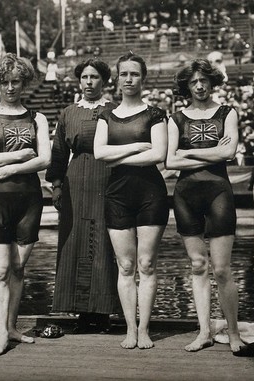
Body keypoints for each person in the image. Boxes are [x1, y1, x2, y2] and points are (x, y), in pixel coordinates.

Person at [0, 53, 51, 356]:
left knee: (18, 268)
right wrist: (19, 156)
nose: (10, 87)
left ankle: (13, 327)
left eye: (15, 81)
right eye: (4, 82)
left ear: (24, 83)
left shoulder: (37, 118)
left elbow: (44, 158)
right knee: (1, 270)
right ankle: (2, 334)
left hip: (29, 199)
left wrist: (11, 169)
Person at [166, 58, 244, 353]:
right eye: (193, 82)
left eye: (204, 81)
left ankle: (234, 333)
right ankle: (204, 332)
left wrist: (190, 153)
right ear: (186, 86)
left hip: (218, 193)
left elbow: (231, 152)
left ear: (212, 83)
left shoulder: (227, 112)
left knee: (222, 269)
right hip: (186, 195)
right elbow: (170, 161)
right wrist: (215, 150)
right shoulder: (176, 119)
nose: (199, 86)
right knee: (198, 266)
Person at [94, 52, 168, 349]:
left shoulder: (155, 113)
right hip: (118, 195)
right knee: (126, 266)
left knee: (147, 264)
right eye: (124, 74)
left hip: (151, 194)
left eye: (134, 74)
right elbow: (100, 153)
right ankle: (130, 329)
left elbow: (159, 154)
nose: (128, 79)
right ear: (117, 78)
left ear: (143, 78)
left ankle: (145, 328)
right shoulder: (106, 114)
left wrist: (119, 154)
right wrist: (138, 145)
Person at [45, 58, 119, 333]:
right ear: (79, 81)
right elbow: (59, 153)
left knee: (102, 243)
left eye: (95, 77)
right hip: (75, 181)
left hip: (106, 180)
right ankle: (80, 312)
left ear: (104, 81)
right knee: (74, 242)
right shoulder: (68, 113)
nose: (89, 82)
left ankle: (103, 313)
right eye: (85, 77)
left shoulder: (114, 110)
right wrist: (56, 186)